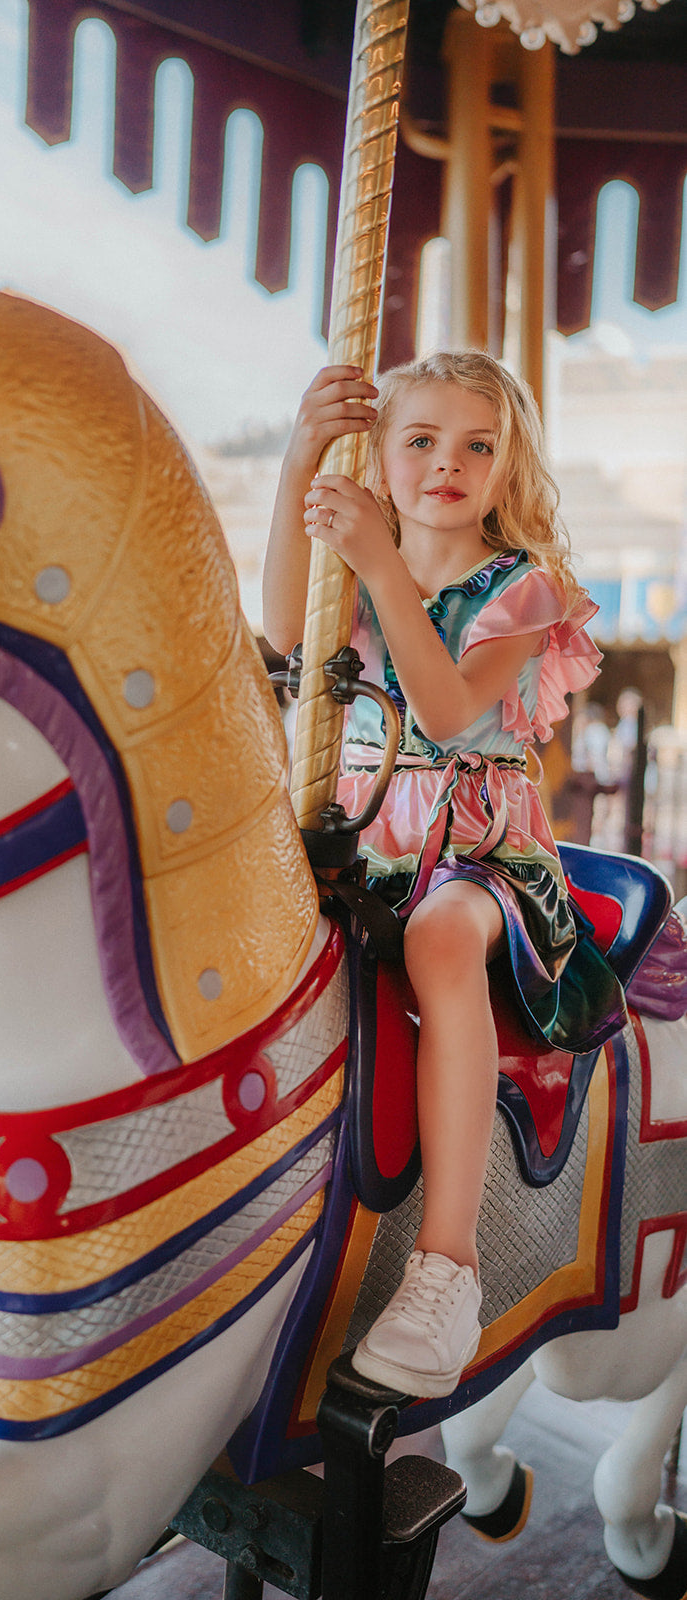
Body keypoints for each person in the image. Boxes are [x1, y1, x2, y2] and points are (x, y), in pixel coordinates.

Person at [263, 351, 626, 1398]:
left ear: (508, 470)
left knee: (433, 938)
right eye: (418, 439)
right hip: (364, 832)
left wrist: (378, 563)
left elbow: (444, 712)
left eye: (477, 445)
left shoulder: (522, 587)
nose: (445, 463)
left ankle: (446, 1265)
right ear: (377, 455)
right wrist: (297, 460)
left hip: (478, 852)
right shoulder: (353, 562)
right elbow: (285, 631)